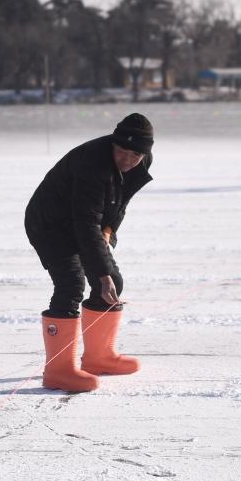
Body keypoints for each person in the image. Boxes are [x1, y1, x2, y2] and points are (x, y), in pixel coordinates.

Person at [24, 113, 154, 393]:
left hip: (84, 221)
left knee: (113, 283)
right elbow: (85, 222)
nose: (127, 160)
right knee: (71, 283)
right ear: (112, 144)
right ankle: (58, 370)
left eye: (135, 154)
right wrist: (101, 271)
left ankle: (98, 357)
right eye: (121, 151)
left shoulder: (141, 161)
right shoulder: (92, 163)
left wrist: (109, 232)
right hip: (49, 223)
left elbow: (119, 203)